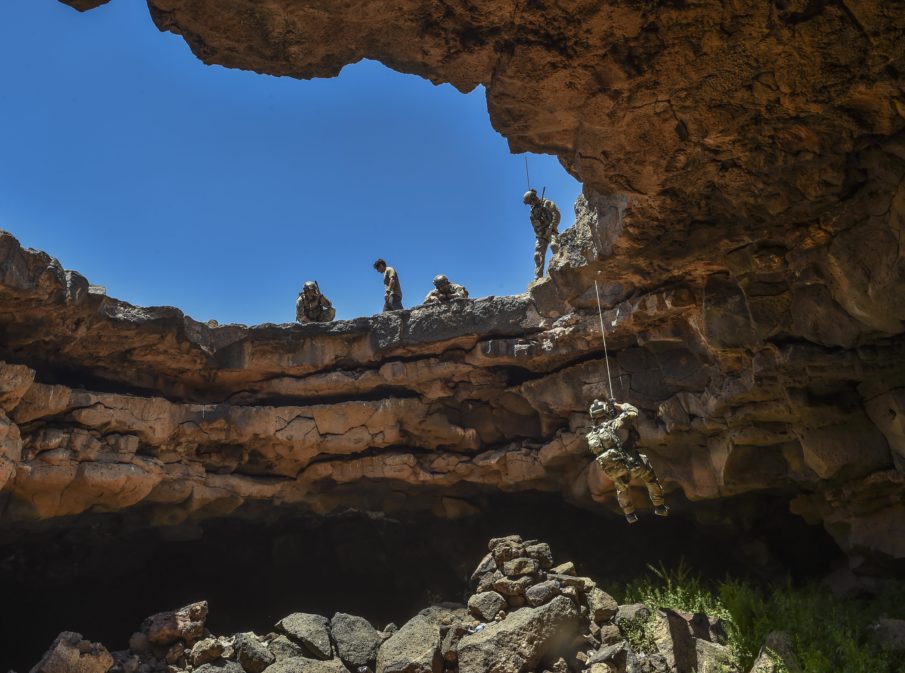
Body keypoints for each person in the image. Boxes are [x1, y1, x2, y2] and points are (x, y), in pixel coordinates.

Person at [585, 397, 668, 523]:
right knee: (649, 477)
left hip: (615, 471)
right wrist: (617, 405)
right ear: (606, 411)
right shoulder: (613, 424)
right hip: (632, 464)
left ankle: (629, 515)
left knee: (621, 489)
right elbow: (633, 412)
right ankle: (659, 507)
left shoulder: (591, 435)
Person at [523, 189, 561, 279]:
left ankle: (559, 264)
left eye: (531, 201)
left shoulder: (547, 203)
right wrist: (541, 235)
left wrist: (551, 227)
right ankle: (538, 277)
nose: (530, 204)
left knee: (554, 245)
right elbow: (535, 227)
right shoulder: (532, 213)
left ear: (534, 198)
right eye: (529, 203)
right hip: (541, 234)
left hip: (551, 230)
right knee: (537, 255)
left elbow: (557, 214)